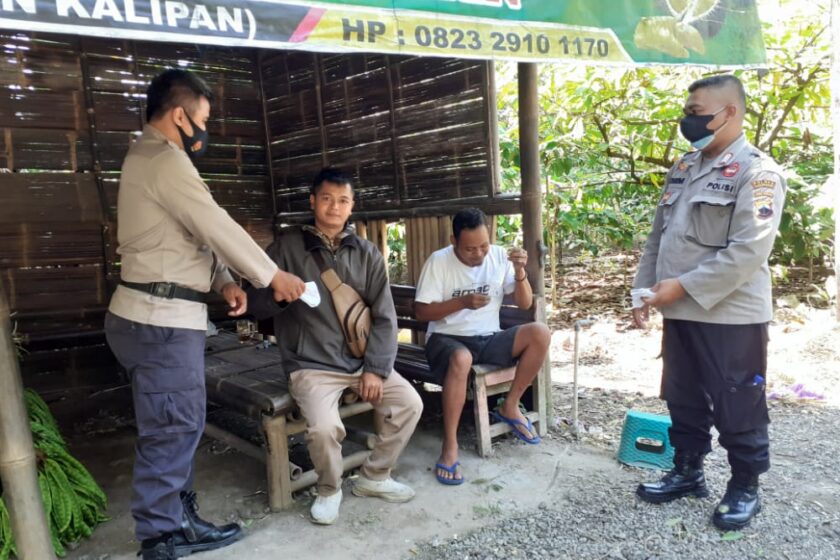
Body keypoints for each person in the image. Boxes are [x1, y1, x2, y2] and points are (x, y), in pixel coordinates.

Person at [104, 69, 305, 560]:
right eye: (204, 118)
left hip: (161, 316)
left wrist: (224, 281)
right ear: (180, 115)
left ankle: (179, 517)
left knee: (178, 422)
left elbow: (190, 236)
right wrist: (269, 275)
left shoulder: (154, 159)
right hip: (159, 321)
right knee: (173, 426)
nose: (206, 128)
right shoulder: (162, 159)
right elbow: (215, 224)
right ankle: (160, 537)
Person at [632, 74, 786, 530]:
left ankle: (744, 486)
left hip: (730, 315)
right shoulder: (684, 167)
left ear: (730, 113)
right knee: (682, 394)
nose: (689, 120)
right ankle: (687, 469)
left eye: (698, 112)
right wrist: (643, 291)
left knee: (738, 400)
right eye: (688, 111)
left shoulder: (759, 173)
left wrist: (679, 287)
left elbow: (747, 252)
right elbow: (658, 239)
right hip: (679, 310)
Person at [247, 167, 423, 526]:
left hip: (360, 362)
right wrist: (279, 296)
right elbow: (255, 305)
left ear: (352, 206)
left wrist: (375, 368)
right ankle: (329, 489)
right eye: (326, 198)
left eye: (343, 200)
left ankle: (375, 476)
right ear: (313, 201)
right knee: (325, 428)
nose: (334, 207)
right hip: (310, 364)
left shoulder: (367, 252)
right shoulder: (285, 248)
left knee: (410, 403)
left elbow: (385, 315)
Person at [413, 208, 551, 485]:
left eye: (484, 246)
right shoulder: (438, 262)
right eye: (470, 249)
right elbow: (420, 312)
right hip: (447, 339)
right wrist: (461, 303)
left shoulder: (500, 256)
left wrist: (520, 271)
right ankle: (450, 446)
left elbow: (524, 304)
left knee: (540, 333)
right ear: (454, 240)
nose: (479, 254)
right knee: (462, 358)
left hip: (488, 338)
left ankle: (510, 406)